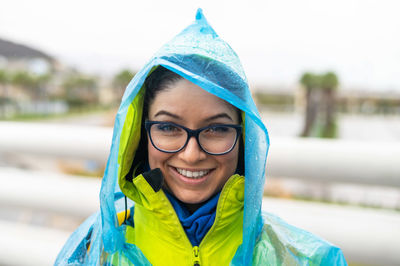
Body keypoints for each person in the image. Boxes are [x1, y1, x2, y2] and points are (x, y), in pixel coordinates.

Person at [56, 9, 347, 265]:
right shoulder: (96, 251)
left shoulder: (298, 259)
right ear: (140, 137)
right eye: (169, 128)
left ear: (244, 138)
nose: (192, 154)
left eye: (216, 129)